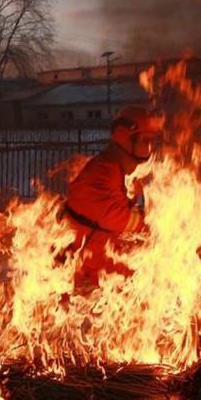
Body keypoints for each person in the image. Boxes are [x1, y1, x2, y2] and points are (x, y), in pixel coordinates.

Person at [64, 105, 163, 286]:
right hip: (84, 274)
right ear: (125, 138)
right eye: (145, 139)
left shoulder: (114, 169)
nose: (149, 147)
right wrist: (152, 227)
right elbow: (114, 216)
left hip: (98, 265)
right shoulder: (104, 170)